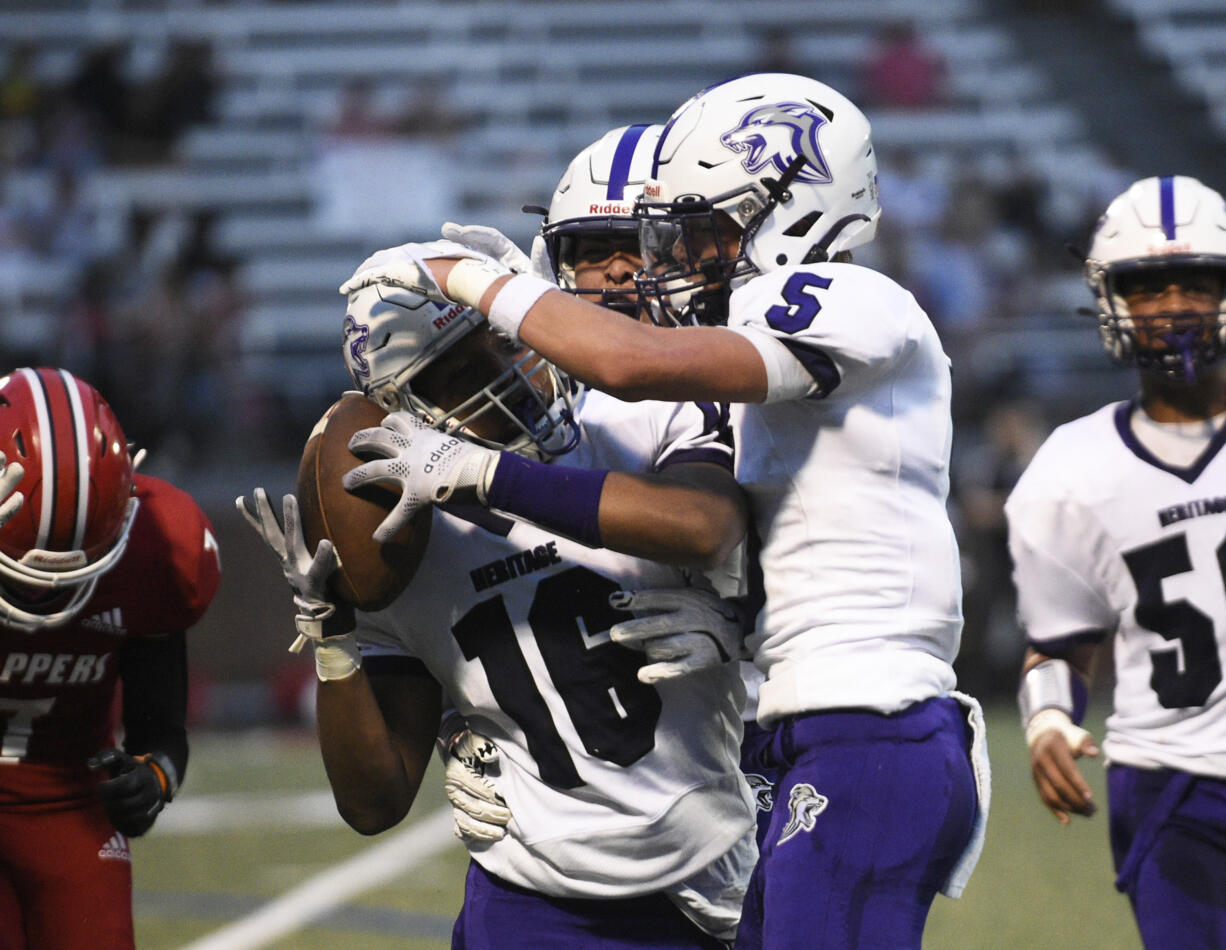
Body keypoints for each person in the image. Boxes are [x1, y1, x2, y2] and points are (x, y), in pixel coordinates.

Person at [338, 72, 989, 950]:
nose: (654, 265)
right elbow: (810, 543)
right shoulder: (751, 370)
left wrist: (470, 285)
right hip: (797, 735)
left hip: (858, 726)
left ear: (786, 205)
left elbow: (640, 379)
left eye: (693, 233)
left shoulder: (845, 304)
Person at [241, 123, 761, 949]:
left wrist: (745, 629)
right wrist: (333, 637)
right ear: (407, 408)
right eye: (458, 371)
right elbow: (374, 802)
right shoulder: (404, 532)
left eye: (503, 344)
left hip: (715, 858)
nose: (503, 374)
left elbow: (717, 533)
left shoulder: (645, 403)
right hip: (536, 901)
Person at [1007, 175, 1226, 950]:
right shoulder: (1071, 466)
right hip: (1171, 783)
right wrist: (1049, 723)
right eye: (1148, 286)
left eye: (1197, 282)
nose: (1174, 305)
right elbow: (1062, 640)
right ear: (1112, 303)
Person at [0, 366, 220, 950]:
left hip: (72, 809)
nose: (48, 590)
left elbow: (162, 730)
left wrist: (153, 777)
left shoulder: (156, 545)